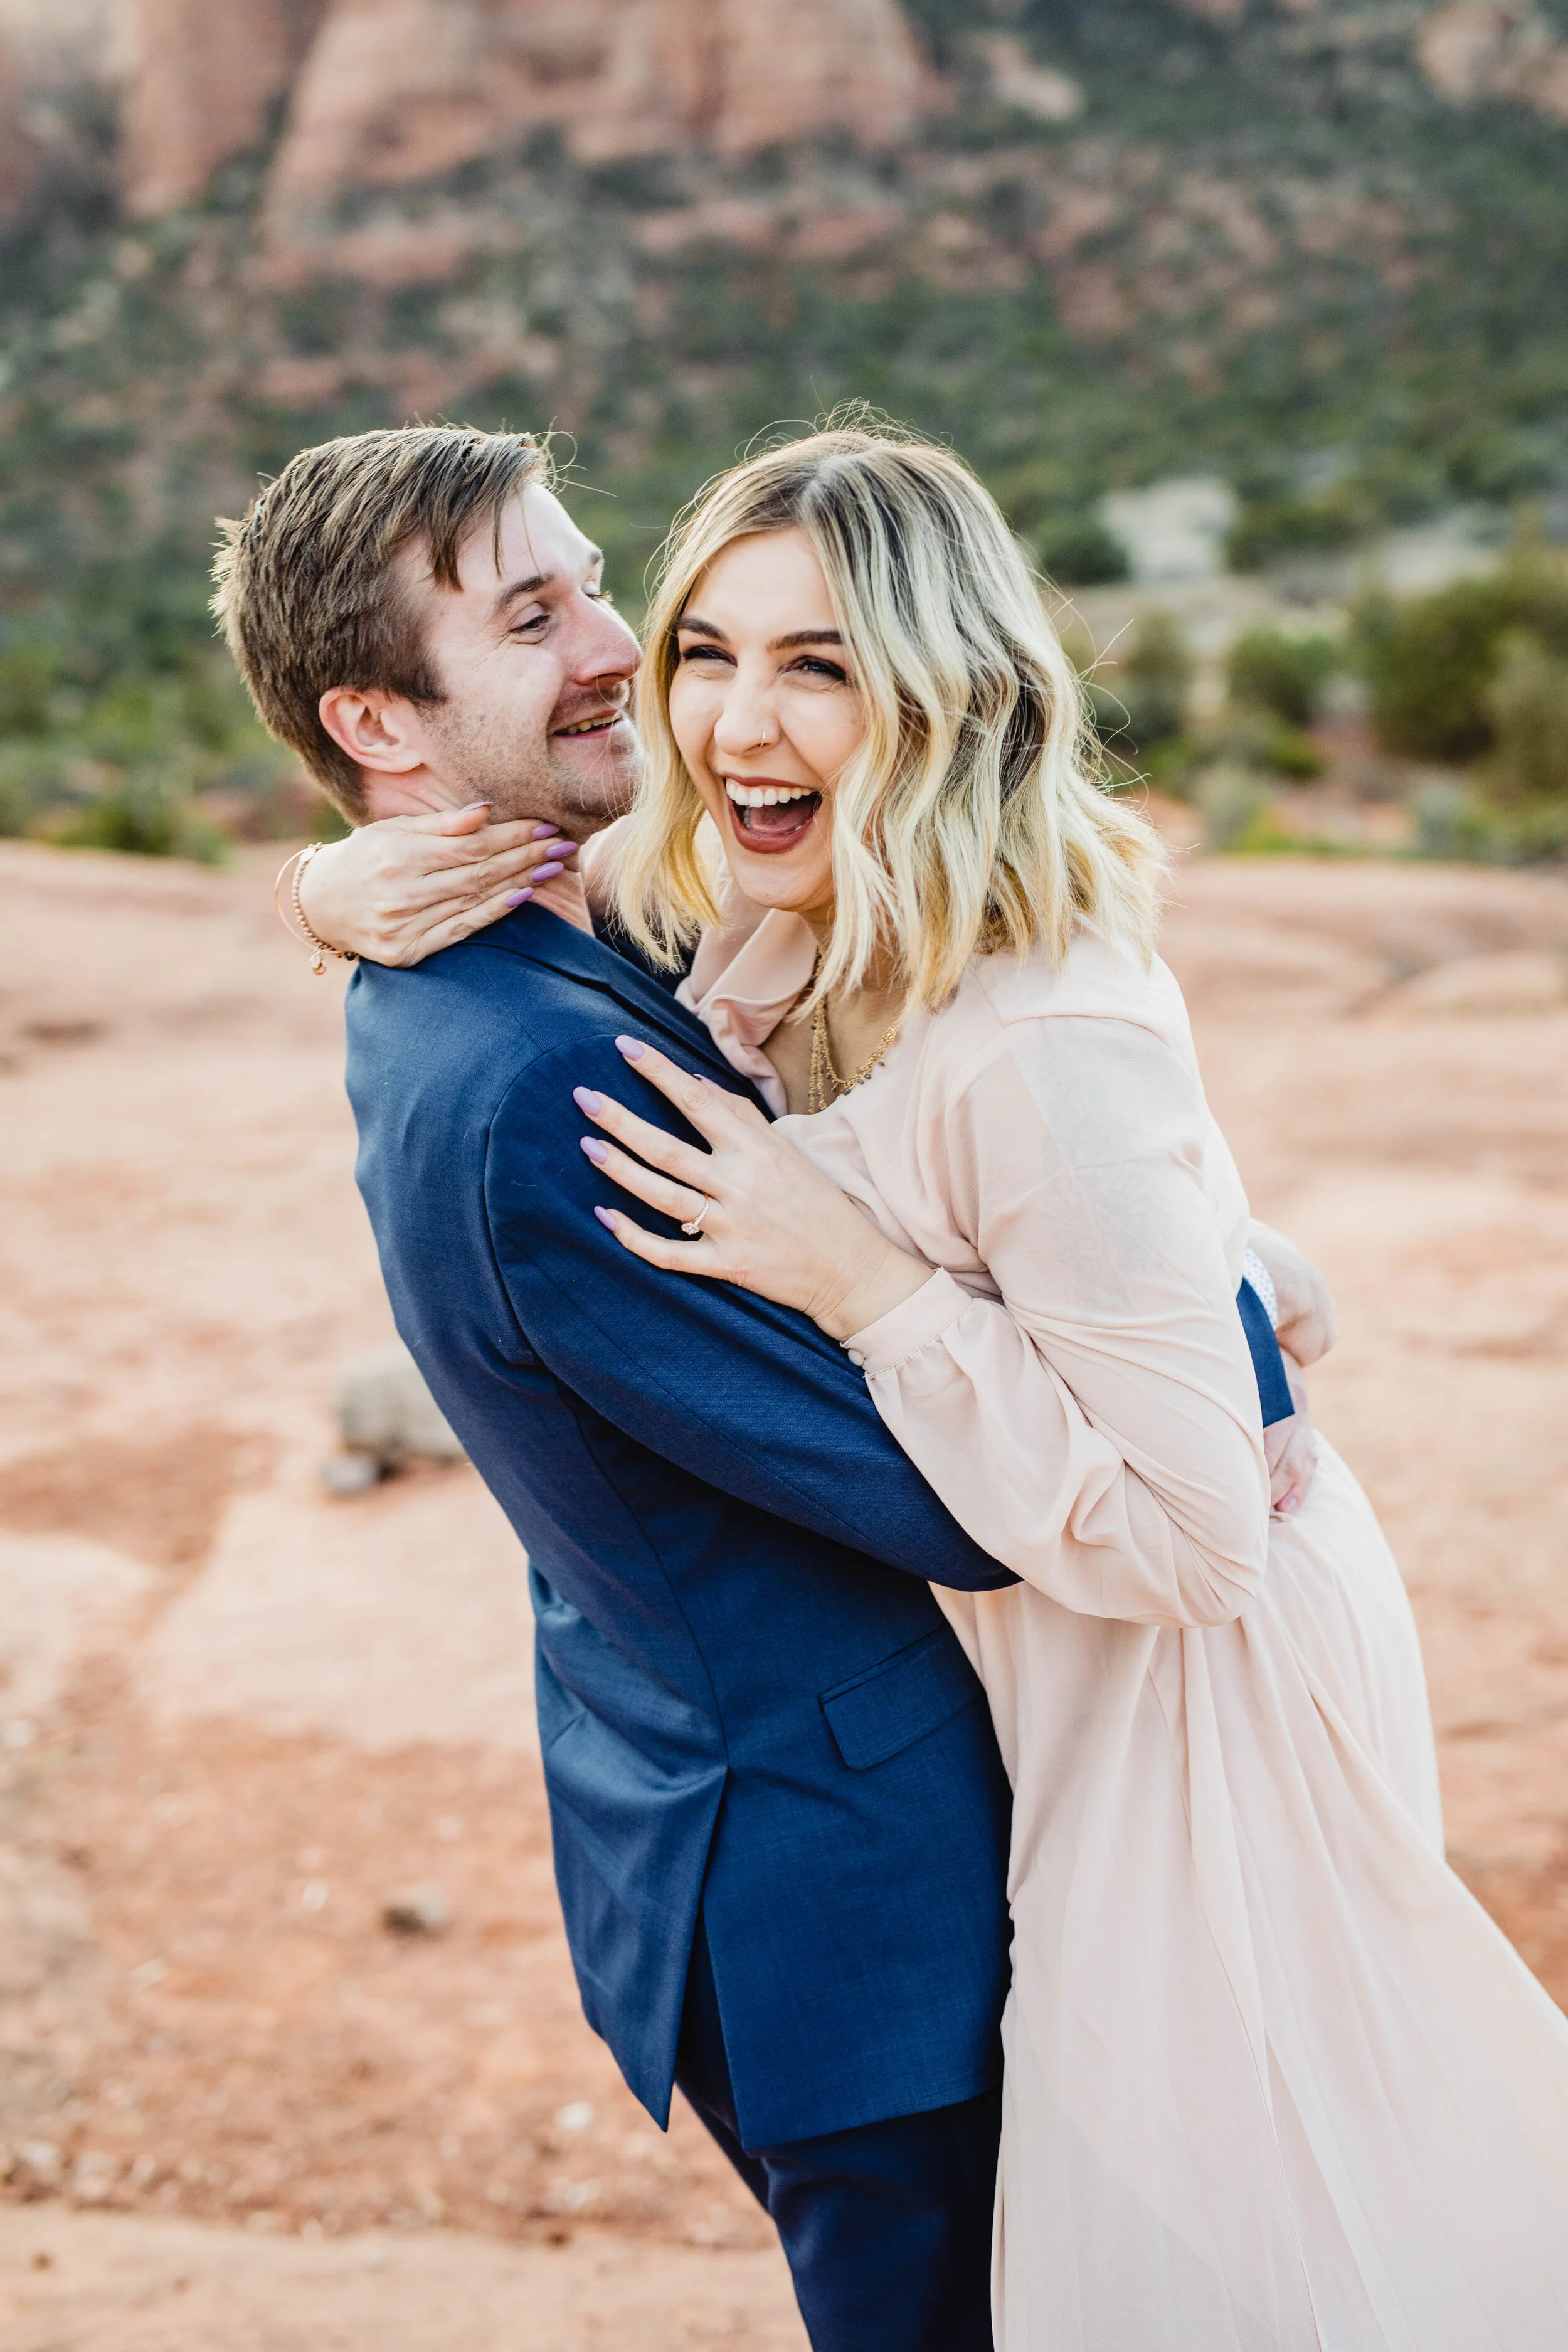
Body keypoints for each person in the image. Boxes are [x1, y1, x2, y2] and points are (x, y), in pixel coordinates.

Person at [295, 423, 1568, 2348]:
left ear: (942, 688)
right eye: (694, 644)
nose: (689, 693)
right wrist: (321, 884)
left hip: (1161, 1672)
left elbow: (1152, 1463)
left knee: (1251, 2249)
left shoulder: (886, 959)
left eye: (812, 658)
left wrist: (912, 1273)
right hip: (921, 1776)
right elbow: (943, 1401)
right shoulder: (678, 954)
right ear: (382, 719)